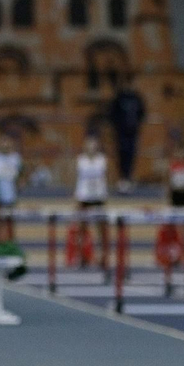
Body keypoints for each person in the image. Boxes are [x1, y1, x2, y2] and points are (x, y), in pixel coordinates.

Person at [73, 133, 109, 268]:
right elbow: (76, 178)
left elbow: (106, 178)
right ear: (85, 146)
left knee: (101, 228)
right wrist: (76, 197)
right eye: (89, 144)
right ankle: (82, 256)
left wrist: (105, 195)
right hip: (84, 196)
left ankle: (103, 256)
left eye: (94, 144)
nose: (91, 146)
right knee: (82, 228)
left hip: (98, 196)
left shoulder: (102, 160)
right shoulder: (80, 160)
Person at [106, 73, 145, 194]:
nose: (129, 85)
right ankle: (122, 179)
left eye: (130, 83)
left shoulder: (136, 98)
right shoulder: (119, 97)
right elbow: (112, 113)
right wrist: (117, 126)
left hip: (132, 132)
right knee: (121, 155)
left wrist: (136, 124)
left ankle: (129, 178)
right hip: (121, 132)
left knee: (131, 156)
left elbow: (142, 112)